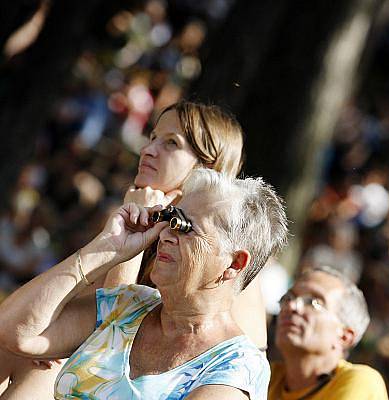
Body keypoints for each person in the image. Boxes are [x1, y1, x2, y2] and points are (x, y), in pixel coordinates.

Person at [0, 100, 268, 399]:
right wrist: (108, 246)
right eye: (152, 137)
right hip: (93, 359)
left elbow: (110, 335)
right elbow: (101, 315)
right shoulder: (135, 217)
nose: (148, 150)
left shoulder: (229, 259)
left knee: (38, 370)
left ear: (207, 167)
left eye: (171, 144)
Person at [268, 265, 389, 400]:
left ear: (344, 336)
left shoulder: (362, 381)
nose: (291, 306)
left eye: (313, 302)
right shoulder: (265, 376)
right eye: (288, 298)